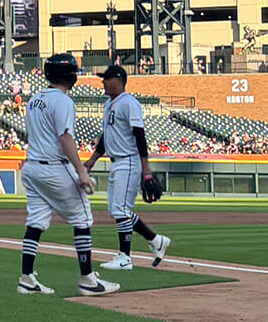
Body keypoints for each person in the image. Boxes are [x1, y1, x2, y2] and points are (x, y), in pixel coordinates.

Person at [16, 54, 118, 297]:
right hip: (53, 167)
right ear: (70, 76)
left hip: (32, 167)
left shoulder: (34, 99)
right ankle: (88, 280)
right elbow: (64, 137)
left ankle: (26, 277)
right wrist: (81, 171)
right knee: (82, 219)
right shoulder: (62, 101)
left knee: (36, 221)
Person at [84, 62, 171, 272]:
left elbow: (139, 135)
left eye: (107, 78)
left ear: (120, 81)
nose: (103, 82)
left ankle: (125, 257)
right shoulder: (108, 104)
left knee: (120, 209)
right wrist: (93, 159)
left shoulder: (129, 103)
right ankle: (155, 240)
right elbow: (106, 137)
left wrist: (146, 169)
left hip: (129, 160)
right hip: (117, 161)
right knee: (116, 210)